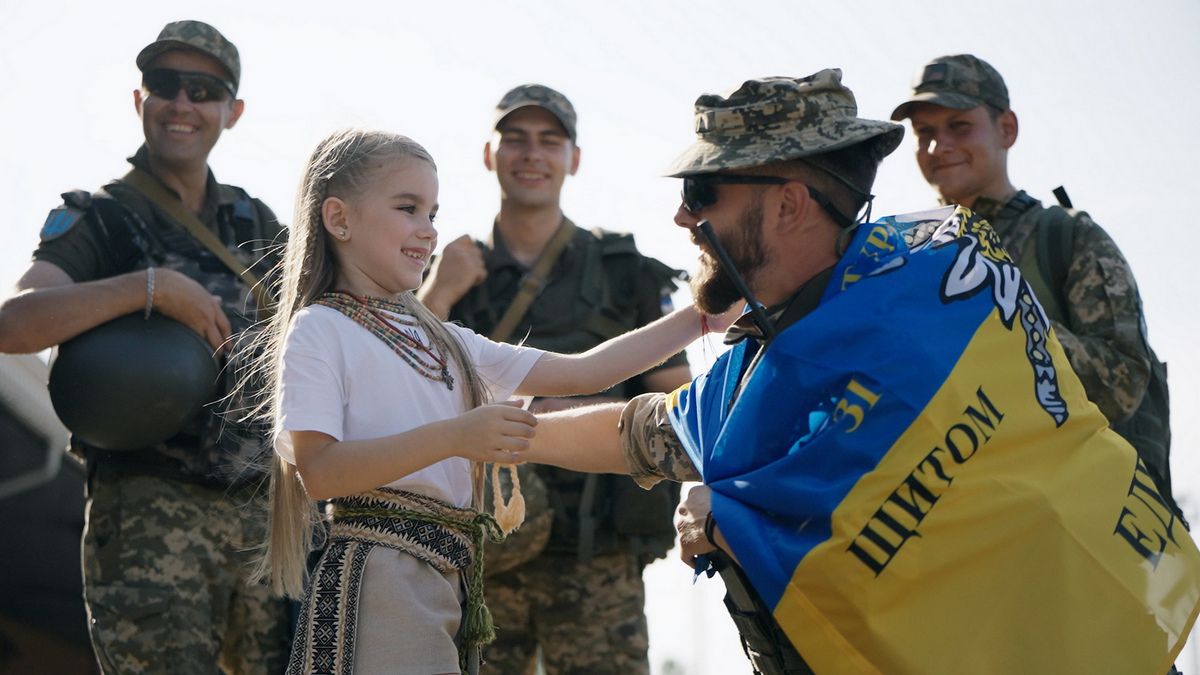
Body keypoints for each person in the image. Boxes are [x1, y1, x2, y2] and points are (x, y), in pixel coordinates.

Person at [518, 69, 1200, 674]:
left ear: (788, 204)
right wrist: (478, 425)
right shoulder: (768, 359)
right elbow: (644, 433)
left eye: (704, 190)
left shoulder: (933, 293)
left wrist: (733, 511)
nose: (683, 215)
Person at [254, 129, 729, 675]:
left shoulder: (446, 339)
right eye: (408, 209)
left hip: (448, 572)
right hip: (377, 571)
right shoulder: (320, 329)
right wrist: (458, 436)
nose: (427, 231)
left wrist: (701, 318)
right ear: (339, 219)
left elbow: (584, 371)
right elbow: (320, 472)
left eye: (433, 213)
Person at [0, 20, 290, 673]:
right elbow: (14, 321)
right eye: (165, 85)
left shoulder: (257, 224)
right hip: (151, 515)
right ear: (140, 99)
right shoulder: (102, 216)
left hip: (262, 517)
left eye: (203, 89)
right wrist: (148, 287)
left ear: (231, 111)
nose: (181, 104)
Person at [417, 83, 691, 674]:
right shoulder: (451, 272)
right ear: (489, 155)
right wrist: (437, 294)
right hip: (485, 556)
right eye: (514, 139)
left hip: (598, 554)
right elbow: (402, 384)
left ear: (575, 159)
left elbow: (677, 403)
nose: (531, 155)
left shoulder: (624, 273)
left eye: (549, 140)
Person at [889, 54, 1176, 508]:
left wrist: (1000, 310)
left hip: (1098, 521)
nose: (938, 146)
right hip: (983, 527)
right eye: (925, 133)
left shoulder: (1064, 237)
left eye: (959, 127)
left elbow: (1122, 386)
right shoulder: (910, 263)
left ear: (1007, 129)